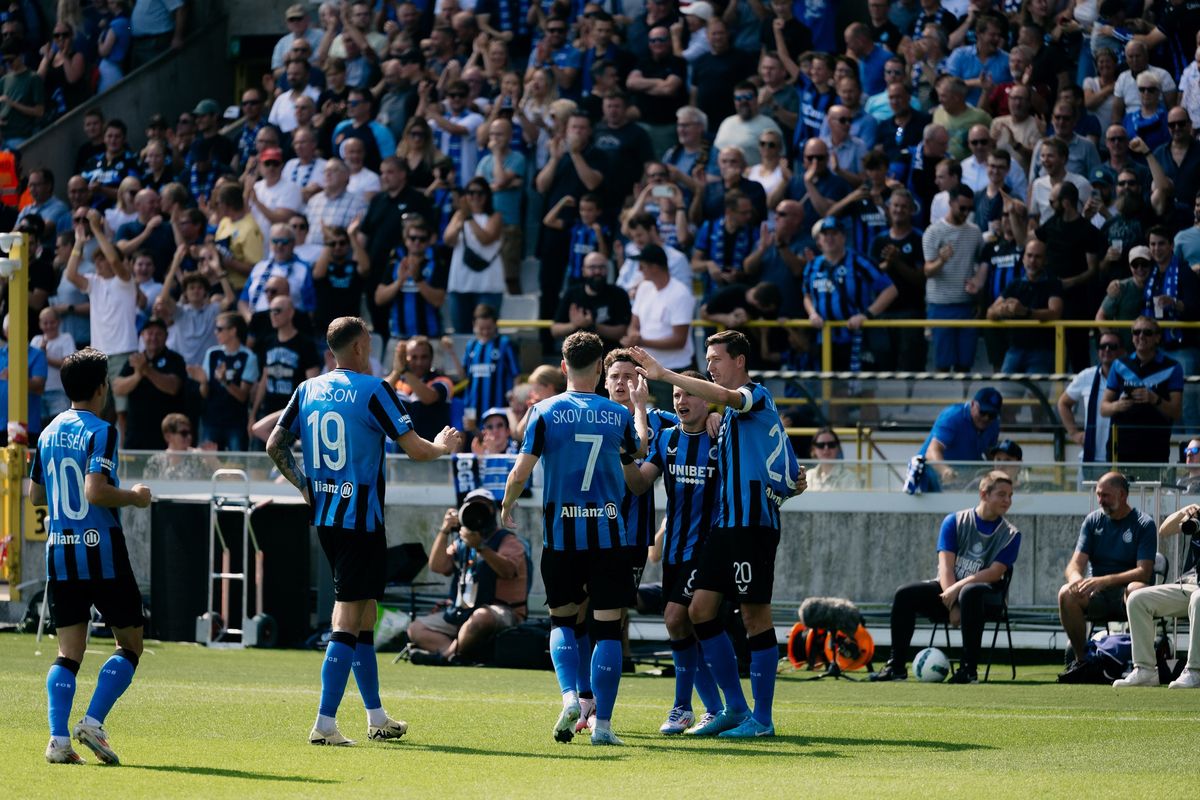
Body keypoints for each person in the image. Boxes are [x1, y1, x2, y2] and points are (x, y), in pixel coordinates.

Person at [268, 315, 460, 744]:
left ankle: (376, 716)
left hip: (326, 519)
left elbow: (273, 444)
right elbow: (415, 449)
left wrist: (304, 486)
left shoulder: (307, 389)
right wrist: (443, 447)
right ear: (358, 348)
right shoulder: (375, 390)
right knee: (348, 618)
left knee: (366, 615)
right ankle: (325, 723)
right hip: (361, 522)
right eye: (368, 344)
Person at [630, 329, 803, 738]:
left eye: (717, 359)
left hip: (753, 527)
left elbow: (729, 402)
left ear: (739, 361)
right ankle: (733, 707)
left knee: (754, 616)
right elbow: (787, 464)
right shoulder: (722, 418)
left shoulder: (754, 395)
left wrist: (665, 374)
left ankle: (762, 719)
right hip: (725, 528)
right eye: (708, 360)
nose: (711, 366)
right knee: (698, 611)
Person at [499, 331, 643, 746]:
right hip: (608, 536)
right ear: (600, 368)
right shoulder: (616, 415)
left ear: (563, 367)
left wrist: (508, 504)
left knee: (562, 620)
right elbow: (635, 454)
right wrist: (640, 413)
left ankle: (568, 697)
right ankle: (603, 727)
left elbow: (520, 471)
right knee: (607, 630)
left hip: (561, 536)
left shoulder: (544, 411)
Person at [31, 348, 152, 765]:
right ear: (102, 388)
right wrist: (135, 499)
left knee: (69, 652)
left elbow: (35, 495)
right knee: (131, 642)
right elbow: (95, 491)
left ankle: (58, 740)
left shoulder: (47, 433)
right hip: (101, 548)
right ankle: (93, 722)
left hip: (59, 552)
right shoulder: (102, 430)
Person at [620, 370, 723, 734]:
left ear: (706, 398)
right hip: (675, 550)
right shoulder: (666, 439)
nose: (681, 401)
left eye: (689, 395)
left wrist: (720, 415)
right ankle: (712, 708)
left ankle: (687, 707)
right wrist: (623, 456)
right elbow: (640, 482)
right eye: (677, 395)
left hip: (709, 548)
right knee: (681, 624)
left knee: (677, 618)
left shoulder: (721, 436)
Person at [871, 471, 1020, 684]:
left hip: (988, 598)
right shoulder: (954, 521)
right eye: (1002, 494)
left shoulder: (1012, 534)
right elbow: (946, 567)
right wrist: (953, 605)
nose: (1007, 500)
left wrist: (957, 591)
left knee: (970, 592)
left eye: (1010, 495)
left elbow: (994, 573)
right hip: (948, 591)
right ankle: (896, 666)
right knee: (905, 594)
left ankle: (969, 670)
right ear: (984, 494)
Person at [407, 491, 529, 665]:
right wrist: (445, 530)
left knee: (480, 617)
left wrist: (480, 547)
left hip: (502, 611)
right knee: (416, 629)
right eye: (472, 507)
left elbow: (507, 571)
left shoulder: (508, 541)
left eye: (483, 507)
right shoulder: (461, 541)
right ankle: (458, 655)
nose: (477, 513)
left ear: (493, 511)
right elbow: (438, 566)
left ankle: (445, 656)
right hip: (463, 610)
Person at [1058, 472, 1156, 670]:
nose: (1100, 501)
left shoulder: (1144, 524)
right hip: (1097, 595)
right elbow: (1074, 565)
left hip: (1126, 595)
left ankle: (1141, 664)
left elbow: (1144, 572)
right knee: (1066, 593)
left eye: (1106, 496)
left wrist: (1104, 580)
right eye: (1098, 495)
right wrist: (1078, 581)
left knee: (1136, 589)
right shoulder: (1093, 521)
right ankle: (1082, 660)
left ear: (1122, 495)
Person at [1112, 504, 1200, 689]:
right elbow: (1164, 530)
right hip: (1190, 584)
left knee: (1198, 599)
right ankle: (1145, 670)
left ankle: (1195, 671)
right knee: (1137, 599)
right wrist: (1184, 513)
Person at [64, 209, 138, 420]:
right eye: (96, 260)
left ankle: (122, 452)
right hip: (100, 355)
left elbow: (116, 262)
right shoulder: (94, 283)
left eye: (102, 259)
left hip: (124, 352)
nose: (99, 263)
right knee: (99, 412)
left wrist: (96, 228)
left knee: (123, 412)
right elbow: (70, 274)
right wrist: (79, 242)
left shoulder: (125, 282)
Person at [1100, 315, 1184, 472]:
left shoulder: (1173, 367)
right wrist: (1119, 405)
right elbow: (1103, 408)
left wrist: (1154, 399)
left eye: (1147, 332)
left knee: (1153, 495)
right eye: (1136, 332)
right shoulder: (1119, 365)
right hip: (1122, 447)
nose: (1141, 336)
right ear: (1132, 337)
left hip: (1155, 446)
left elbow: (1176, 411)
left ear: (1157, 338)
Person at [922, 184, 984, 371]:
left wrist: (978, 293)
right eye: (962, 208)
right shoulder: (933, 232)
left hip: (966, 304)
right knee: (942, 364)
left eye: (969, 208)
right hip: (940, 305)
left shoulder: (974, 232)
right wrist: (941, 260)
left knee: (965, 364)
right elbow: (927, 270)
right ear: (951, 203)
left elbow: (981, 264)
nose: (966, 212)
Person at [984, 238, 1062, 374]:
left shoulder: (1053, 283)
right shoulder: (1015, 284)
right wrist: (1002, 311)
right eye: (1029, 256)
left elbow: (1055, 312)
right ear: (1023, 259)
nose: (1032, 261)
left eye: (1037, 257)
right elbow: (990, 312)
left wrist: (1025, 312)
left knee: (1036, 395)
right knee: (1006, 394)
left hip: (1042, 351)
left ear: (1045, 260)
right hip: (1014, 349)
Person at [111, 317, 186, 450]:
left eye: (158, 334)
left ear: (166, 336)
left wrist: (147, 370)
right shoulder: (134, 360)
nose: (153, 337)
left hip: (165, 436)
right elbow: (117, 388)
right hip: (135, 435)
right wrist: (138, 375)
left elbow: (173, 387)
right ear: (142, 336)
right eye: (149, 333)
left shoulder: (175, 359)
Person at [1058, 331, 1125, 471]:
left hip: (1121, 458)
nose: (1107, 350)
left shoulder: (1130, 376)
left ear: (1121, 351)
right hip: (1089, 458)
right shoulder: (1086, 376)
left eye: (1112, 346)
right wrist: (1074, 433)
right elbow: (1063, 403)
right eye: (1103, 346)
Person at [621, 244, 694, 372]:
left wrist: (641, 342)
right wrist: (633, 336)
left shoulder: (681, 293)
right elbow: (634, 324)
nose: (639, 269)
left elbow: (679, 340)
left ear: (654, 268)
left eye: (642, 266)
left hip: (674, 370)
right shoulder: (644, 287)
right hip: (645, 366)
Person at [914, 387, 1003, 493]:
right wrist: (945, 471)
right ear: (973, 404)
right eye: (983, 412)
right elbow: (932, 451)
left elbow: (990, 453)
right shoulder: (952, 416)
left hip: (964, 477)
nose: (986, 418)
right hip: (933, 475)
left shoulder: (994, 424)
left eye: (992, 415)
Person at [191, 312, 259, 451]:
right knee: (208, 465)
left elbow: (243, 396)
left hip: (236, 423)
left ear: (233, 331)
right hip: (211, 421)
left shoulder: (248, 356)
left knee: (236, 466)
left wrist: (225, 381)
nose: (216, 332)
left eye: (220, 329)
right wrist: (203, 382)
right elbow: (205, 394)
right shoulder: (212, 353)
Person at [552, 251, 631, 351]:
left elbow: (623, 332)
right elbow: (555, 330)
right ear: (583, 270)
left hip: (610, 358)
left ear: (607, 270)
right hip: (577, 357)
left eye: (601, 267)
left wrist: (592, 326)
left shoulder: (618, 294)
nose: (597, 272)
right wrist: (574, 325)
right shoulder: (571, 294)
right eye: (592, 267)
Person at [460, 305, 520, 430]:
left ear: (495, 325)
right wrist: (451, 353)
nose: (485, 332)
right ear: (474, 325)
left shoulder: (504, 343)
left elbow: (516, 374)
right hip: (472, 406)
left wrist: (513, 397)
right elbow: (464, 376)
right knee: (473, 440)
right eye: (481, 328)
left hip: (498, 404)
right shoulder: (471, 345)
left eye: (489, 328)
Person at [386, 336, 454, 441]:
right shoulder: (397, 381)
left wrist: (404, 371)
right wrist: (396, 371)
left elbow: (428, 397)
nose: (419, 362)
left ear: (431, 358)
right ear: (405, 359)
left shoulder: (443, 380)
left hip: (434, 452)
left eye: (424, 357)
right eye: (414, 357)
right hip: (400, 453)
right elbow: (379, 395)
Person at [31, 307, 76, 422]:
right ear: (40, 324)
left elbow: (68, 365)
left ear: (59, 322)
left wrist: (44, 357)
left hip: (59, 391)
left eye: (52, 322)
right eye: (45, 323)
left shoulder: (66, 338)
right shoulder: (36, 340)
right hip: (38, 392)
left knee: (60, 427)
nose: (49, 326)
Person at [806, 426, 857, 492]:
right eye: (821, 445)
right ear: (814, 449)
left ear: (838, 448)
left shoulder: (849, 478)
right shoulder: (808, 476)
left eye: (831, 444)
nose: (826, 448)